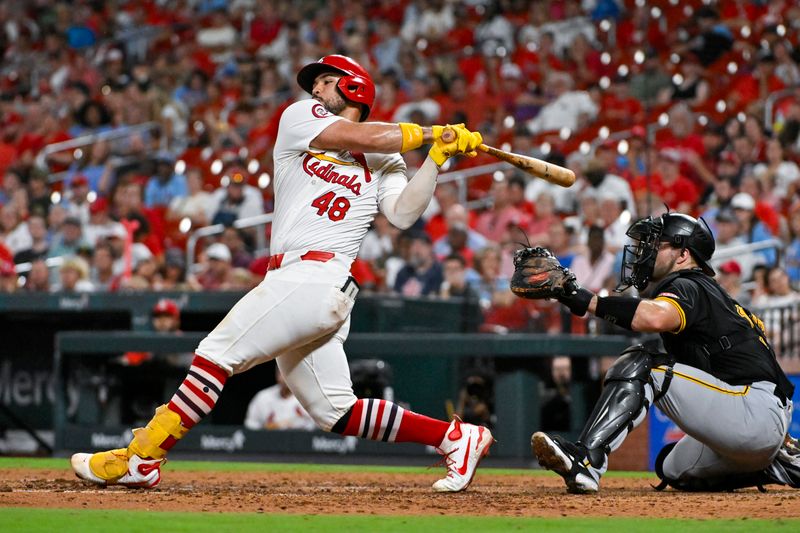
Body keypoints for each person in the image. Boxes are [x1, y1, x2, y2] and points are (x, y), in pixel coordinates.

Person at [71, 54, 492, 493]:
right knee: (335, 411)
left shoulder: (385, 160)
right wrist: (429, 133)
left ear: (353, 88)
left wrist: (436, 160)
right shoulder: (301, 119)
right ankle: (455, 438)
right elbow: (353, 135)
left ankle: (143, 457)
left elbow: (403, 215)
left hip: (318, 278)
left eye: (327, 82)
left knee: (215, 355)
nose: (316, 90)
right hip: (294, 280)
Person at [520, 212, 798, 493]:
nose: (646, 252)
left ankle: (586, 460)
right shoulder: (708, 292)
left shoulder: (690, 283)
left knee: (645, 363)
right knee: (671, 468)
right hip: (754, 417)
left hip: (753, 411)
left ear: (683, 255)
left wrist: (580, 297)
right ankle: (777, 463)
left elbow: (653, 319)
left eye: (657, 245)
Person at [244, 367, 316, 431]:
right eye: (282, 373)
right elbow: (251, 427)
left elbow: (319, 429)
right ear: (277, 374)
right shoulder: (263, 398)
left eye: (289, 372)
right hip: (271, 442)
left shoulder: (309, 397)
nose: (285, 378)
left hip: (303, 443)